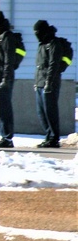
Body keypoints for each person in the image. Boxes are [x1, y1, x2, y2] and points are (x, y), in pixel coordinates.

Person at [33, 19, 67, 148]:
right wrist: (36, 82)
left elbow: (53, 64)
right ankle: (48, 136)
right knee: (41, 112)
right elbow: (39, 65)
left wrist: (49, 82)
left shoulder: (54, 43)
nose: (37, 35)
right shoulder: (41, 44)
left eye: (38, 32)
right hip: (39, 82)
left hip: (49, 83)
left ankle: (54, 138)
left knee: (50, 111)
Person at [0, 11, 25, 148]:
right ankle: (3, 136)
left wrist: (6, 79)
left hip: (4, 76)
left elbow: (8, 60)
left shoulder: (6, 37)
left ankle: (7, 138)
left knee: (4, 108)